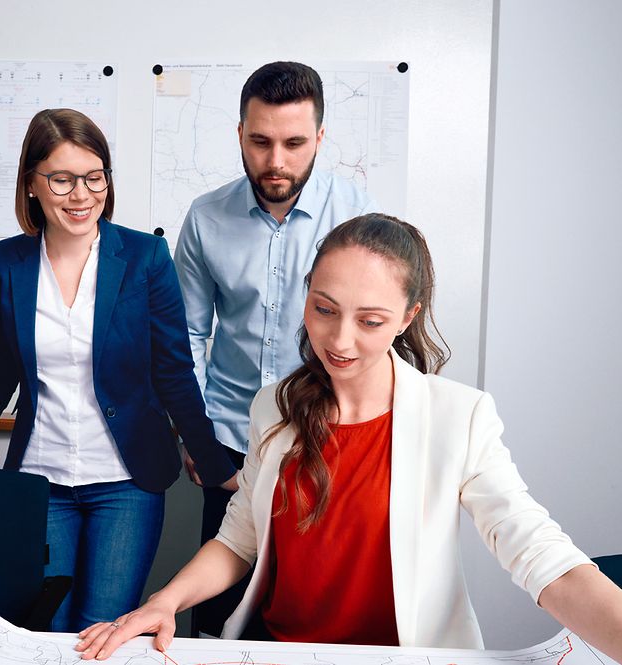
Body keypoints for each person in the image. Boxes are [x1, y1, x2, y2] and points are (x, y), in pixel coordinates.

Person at [75, 214, 622, 665]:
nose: (339, 341)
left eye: (370, 321)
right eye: (323, 309)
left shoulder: (460, 417)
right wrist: (163, 601)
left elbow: (545, 561)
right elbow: (242, 535)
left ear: (408, 316)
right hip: (277, 656)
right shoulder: (276, 406)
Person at [0, 108, 237, 633]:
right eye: (61, 179)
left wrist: (215, 465)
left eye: (94, 176)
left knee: (100, 628)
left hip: (127, 483)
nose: (81, 195)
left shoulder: (146, 256)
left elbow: (174, 370)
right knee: (44, 626)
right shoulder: (5, 263)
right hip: (42, 479)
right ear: (32, 184)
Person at [174, 61, 379, 633]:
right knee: (219, 618)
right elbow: (186, 336)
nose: (276, 162)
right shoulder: (205, 217)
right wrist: (197, 438)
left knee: (309, 618)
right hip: (230, 444)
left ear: (319, 138)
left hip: (326, 441)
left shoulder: (360, 217)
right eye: (260, 142)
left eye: (294, 143)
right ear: (240, 133)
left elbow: (373, 342)